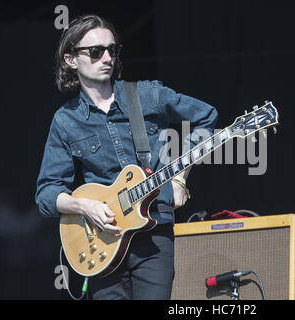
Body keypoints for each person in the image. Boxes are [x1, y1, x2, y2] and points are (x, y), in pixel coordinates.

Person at [35, 14, 218, 300]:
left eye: (112, 50)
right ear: (71, 59)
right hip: (102, 240)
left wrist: (181, 180)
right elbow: (47, 193)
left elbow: (207, 116)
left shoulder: (147, 95)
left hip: (154, 234)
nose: (106, 57)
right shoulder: (66, 120)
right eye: (95, 52)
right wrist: (84, 206)